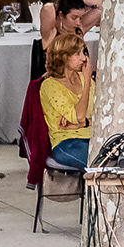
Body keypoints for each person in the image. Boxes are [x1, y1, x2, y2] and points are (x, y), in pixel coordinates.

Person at [41, 32, 94, 169]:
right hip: (67, 142)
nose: (84, 58)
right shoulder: (50, 86)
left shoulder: (83, 79)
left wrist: (83, 123)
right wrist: (88, 81)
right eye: (77, 54)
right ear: (63, 57)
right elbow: (79, 116)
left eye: (84, 53)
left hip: (93, 137)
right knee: (97, 165)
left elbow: (100, 113)